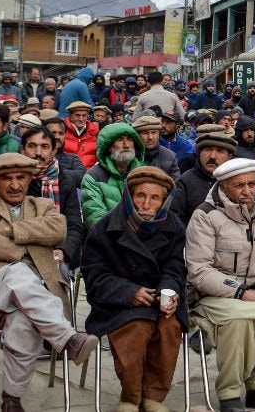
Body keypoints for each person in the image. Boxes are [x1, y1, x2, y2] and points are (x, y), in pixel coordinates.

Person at [0, 152, 97, 412]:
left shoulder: (42, 205)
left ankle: (11, 399)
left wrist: (8, 231)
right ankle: (68, 339)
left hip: (31, 299)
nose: (15, 184)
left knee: (24, 323)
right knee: (20, 273)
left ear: (29, 178)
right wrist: (24, 247)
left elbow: (58, 230)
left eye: (21, 177)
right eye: (7, 179)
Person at [185, 158, 255, 412]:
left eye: (252, 184)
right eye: (239, 186)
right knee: (238, 320)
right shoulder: (205, 216)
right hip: (214, 295)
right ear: (223, 186)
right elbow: (199, 270)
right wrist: (239, 291)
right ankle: (230, 393)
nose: (247, 191)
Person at [82, 166, 186, 412]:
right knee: (136, 328)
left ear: (164, 201)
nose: (146, 204)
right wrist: (130, 292)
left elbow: (175, 267)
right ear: (129, 196)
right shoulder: (105, 227)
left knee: (169, 327)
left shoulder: (174, 226)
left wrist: (169, 291)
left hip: (158, 300)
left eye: (154, 198)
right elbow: (95, 276)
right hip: (118, 303)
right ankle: (130, 396)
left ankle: (153, 396)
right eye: (140, 196)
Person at [20, 126, 85, 269]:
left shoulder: (64, 182)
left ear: (53, 151)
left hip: (56, 249)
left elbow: (74, 226)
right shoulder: (12, 180)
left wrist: (63, 250)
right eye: (32, 146)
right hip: (18, 250)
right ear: (22, 150)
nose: (38, 153)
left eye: (44, 147)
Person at [81, 122, 144, 229]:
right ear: (109, 147)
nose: (126, 145)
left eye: (129, 139)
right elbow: (95, 219)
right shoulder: (93, 177)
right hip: (107, 240)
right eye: (120, 140)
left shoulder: (143, 174)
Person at [170, 131, 235, 224]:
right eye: (208, 149)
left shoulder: (238, 181)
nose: (212, 156)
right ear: (199, 153)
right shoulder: (185, 181)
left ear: (229, 157)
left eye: (220, 151)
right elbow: (175, 218)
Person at [132, 115, 180, 180]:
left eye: (154, 132)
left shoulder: (170, 156)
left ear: (159, 134)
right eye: (146, 133)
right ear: (138, 135)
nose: (150, 137)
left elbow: (175, 185)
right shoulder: (130, 156)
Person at [63, 101, 99, 169]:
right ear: (70, 115)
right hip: (67, 175)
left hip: (89, 175)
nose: (81, 119)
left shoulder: (95, 133)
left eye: (84, 115)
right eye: (77, 115)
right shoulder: (61, 131)